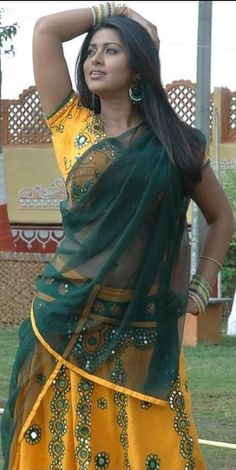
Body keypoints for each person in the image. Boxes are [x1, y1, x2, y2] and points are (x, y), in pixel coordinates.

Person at [1, 3, 234, 469]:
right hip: (66, 320)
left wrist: (200, 287)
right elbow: (46, 31)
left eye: (111, 50)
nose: (95, 59)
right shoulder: (73, 126)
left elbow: (221, 215)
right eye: (90, 51)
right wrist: (116, 10)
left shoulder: (178, 144)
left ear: (139, 66)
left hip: (146, 330)